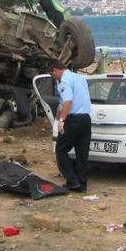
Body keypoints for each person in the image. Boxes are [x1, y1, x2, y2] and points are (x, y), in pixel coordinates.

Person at [49, 60, 92, 193]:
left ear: (56, 70)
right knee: (82, 152)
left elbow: (67, 102)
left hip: (73, 120)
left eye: (52, 74)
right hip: (86, 119)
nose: (52, 77)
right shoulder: (80, 78)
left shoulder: (64, 82)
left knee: (61, 150)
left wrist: (61, 120)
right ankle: (82, 183)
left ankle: (72, 181)